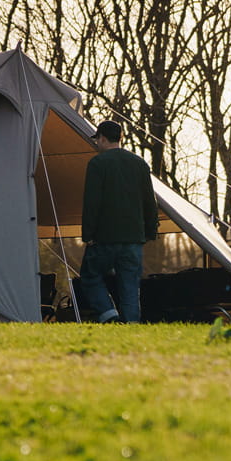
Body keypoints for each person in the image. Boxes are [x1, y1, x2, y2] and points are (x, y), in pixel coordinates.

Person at [79, 120, 159, 323]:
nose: (97, 143)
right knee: (130, 286)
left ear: (103, 138)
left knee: (90, 276)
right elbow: (149, 200)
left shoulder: (97, 163)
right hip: (133, 238)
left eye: (97, 139)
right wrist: (150, 230)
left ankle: (110, 315)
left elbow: (92, 201)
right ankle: (131, 325)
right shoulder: (140, 163)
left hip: (104, 238)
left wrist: (88, 234)